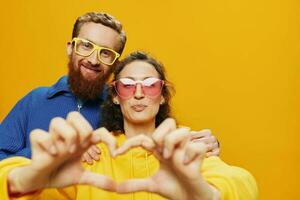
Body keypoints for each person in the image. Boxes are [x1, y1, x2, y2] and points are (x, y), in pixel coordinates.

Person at [0, 51, 258, 200]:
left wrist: (202, 193)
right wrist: (33, 173)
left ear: (163, 94)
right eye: (127, 85)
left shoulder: (183, 150)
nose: (138, 93)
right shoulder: (93, 154)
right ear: (114, 95)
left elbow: (243, 183)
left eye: (149, 85)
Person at [0, 12, 220, 163]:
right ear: (70, 48)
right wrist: (50, 151)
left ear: (115, 63)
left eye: (105, 52)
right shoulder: (34, 101)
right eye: (86, 46)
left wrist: (208, 144)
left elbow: (157, 140)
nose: (94, 59)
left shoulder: (126, 104)